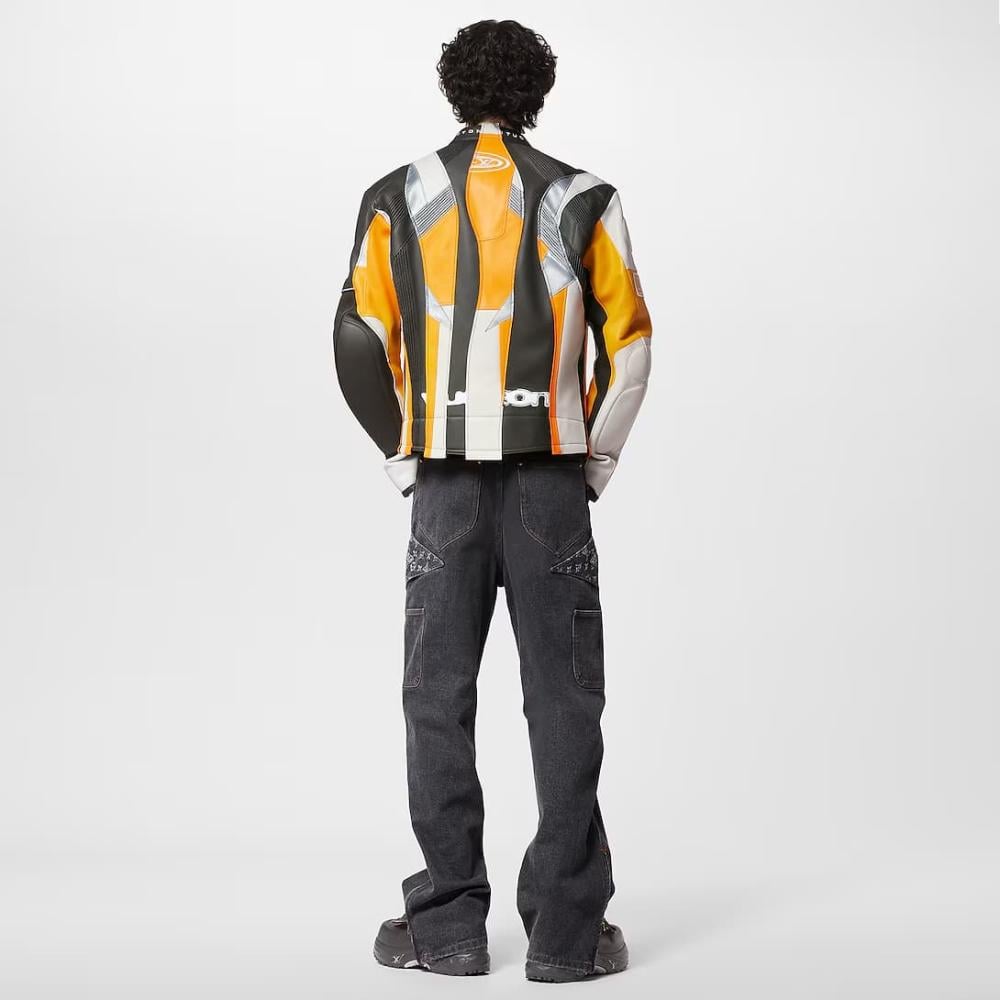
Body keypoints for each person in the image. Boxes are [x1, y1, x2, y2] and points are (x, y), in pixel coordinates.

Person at [332, 19, 652, 983]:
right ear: (537, 94)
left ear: (453, 89)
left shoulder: (397, 196)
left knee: (436, 699)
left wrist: (405, 456)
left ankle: (446, 928)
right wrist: (590, 462)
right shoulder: (585, 197)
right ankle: (565, 936)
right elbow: (630, 344)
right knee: (565, 700)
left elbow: (356, 338)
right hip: (551, 479)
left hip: (444, 484)